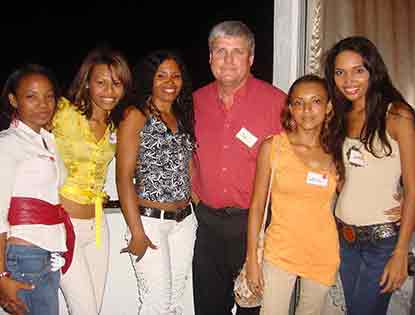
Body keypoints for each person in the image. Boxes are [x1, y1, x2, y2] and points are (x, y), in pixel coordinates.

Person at [192, 20, 287, 315]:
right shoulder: (194, 101)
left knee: (252, 309)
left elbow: (300, 159)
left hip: (255, 227)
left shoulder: (277, 103)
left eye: (237, 52)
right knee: (208, 308)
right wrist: (197, 200)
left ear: (251, 58)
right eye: (221, 51)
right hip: (207, 227)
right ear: (210, 58)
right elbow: (185, 156)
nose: (228, 60)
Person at [324, 36, 415, 315]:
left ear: (373, 71)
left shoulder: (397, 115)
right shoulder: (339, 116)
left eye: (358, 70)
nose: (348, 80)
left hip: (382, 243)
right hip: (344, 238)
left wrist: (401, 252)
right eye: (340, 72)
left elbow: (414, 189)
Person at [246, 74, 340, 315]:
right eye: (298, 102)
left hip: (323, 252)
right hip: (279, 251)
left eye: (316, 101)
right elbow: (256, 206)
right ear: (290, 108)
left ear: (328, 107)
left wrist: (398, 202)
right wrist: (252, 261)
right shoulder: (274, 147)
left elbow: (356, 193)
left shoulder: (337, 151)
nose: (307, 110)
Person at [51, 46, 132, 314]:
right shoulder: (63, 113)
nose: (109, 91)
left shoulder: (115, 126)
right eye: (101, 82)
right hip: (64, 227)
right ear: (87, 82)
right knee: (84, 308)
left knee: (92, 308)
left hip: (98, 227)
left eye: (116, 83)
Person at [116, 49, 197, 315]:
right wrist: (136, 231)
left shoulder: (183, 115)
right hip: (150, 223)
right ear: (149, 79)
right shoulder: (136, 115)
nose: (169, 82)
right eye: (161, 76)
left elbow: (188, 167)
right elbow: (123, 177)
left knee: (174, 303)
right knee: (155, 306)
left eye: (176, 76)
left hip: (185, 222)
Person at [0, 64, 70, 315]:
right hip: (24, 253)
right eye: (31, 96)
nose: (43, 104)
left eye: (49, 96)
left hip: (49, 251)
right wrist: (1, 274)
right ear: (13, 100)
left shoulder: (49, 141)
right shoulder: (7, 144)